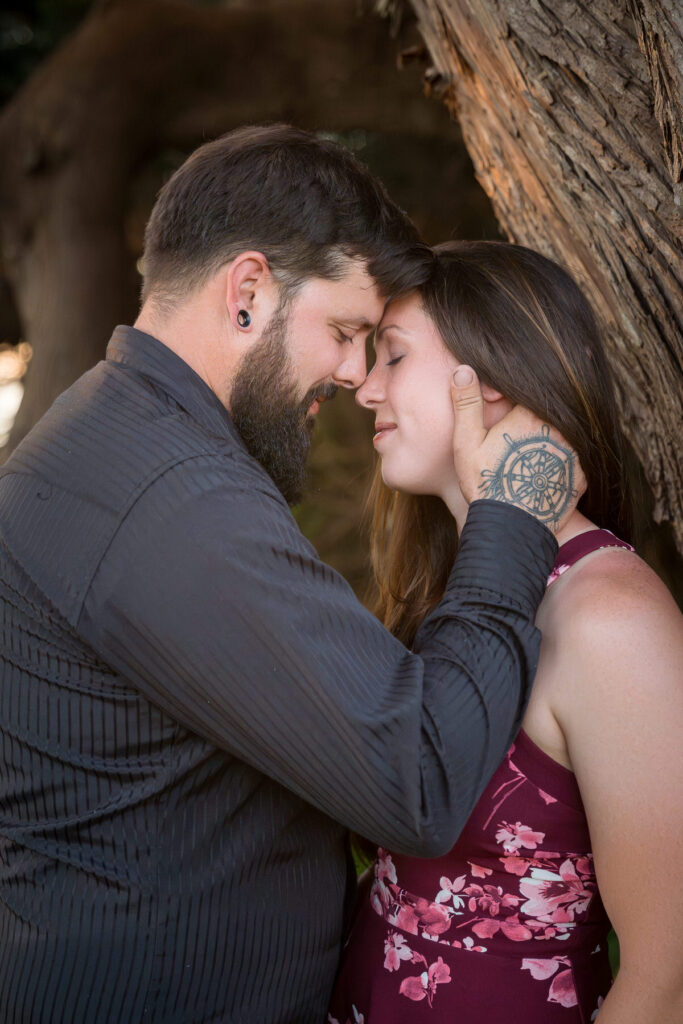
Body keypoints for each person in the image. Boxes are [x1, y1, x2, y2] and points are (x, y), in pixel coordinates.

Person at [0, 127, 581, 1024]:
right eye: (347, 332)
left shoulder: (119, 433)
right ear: (247, 292)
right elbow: (416, 779)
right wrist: (509, 518)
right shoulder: (172, 494)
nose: (354, 376)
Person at [328, 241, 683, 1024]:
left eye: (391, 356)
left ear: (488, 377)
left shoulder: (608, 621)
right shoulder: (447, 589)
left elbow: (668, 978)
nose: (363, 386)